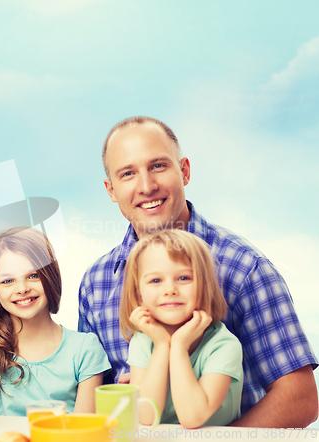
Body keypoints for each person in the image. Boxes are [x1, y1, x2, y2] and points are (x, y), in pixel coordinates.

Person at [78, 116, 318, 428]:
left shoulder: (244, 267)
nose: (147, 186)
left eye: (159, 166)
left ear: (185, 171)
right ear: (111, 189)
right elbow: (91, 397)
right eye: (128, 174)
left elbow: (299, 398)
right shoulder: (96, 283)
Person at [0, 227, 110, 415]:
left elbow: (83, 431)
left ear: (50, 277)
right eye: (7, 281)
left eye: (33, 276)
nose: (22, 289)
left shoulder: (85, 350)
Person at [121, 229, 243, 428]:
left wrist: (178, 346)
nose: (170, 290)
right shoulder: (143, 341)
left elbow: (192, 418)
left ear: (205, 285)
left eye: (184, 278)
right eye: (155, 280)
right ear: (138, 294)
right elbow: (145, 416)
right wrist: (161, 345)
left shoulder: (224, 345)